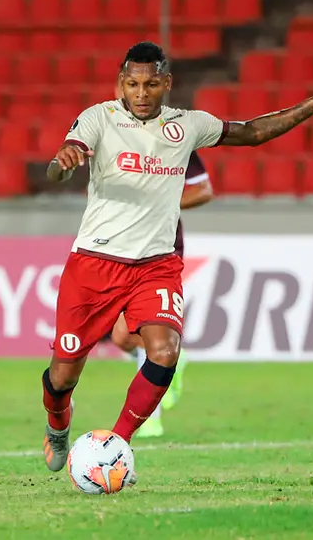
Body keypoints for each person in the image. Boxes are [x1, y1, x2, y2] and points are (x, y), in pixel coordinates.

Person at [40, 41, 313, 481]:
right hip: (95, 262)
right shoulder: (100, 118)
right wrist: (63, 162)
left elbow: (253, 131)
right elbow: (60, 163)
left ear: (166, 83)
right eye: (132, 84)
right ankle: (58, 427)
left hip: (156, 264)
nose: (141, 93)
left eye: (151, 84)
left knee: (165, 351)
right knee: (62, 375)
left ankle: (115, 446)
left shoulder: (186, 126)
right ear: (120, 84)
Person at [107, 150, 214, 439]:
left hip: (160, 250)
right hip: (119, 248)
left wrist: (158, 207)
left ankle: (149, 419)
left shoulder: (175, 138)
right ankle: (171, 362)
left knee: (146, 328)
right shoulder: (109, 136)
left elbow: (203, 190)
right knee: (121, 337)